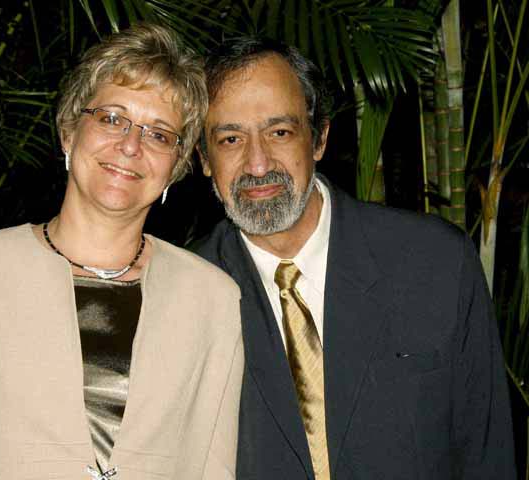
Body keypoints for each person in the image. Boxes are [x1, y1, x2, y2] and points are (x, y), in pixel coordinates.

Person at [0, 24, 243, 480]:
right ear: (69, 131)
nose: (130, 145)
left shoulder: (212, 298)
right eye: (112, 118)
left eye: (158, 134)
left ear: (176, 164)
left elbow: (216, 469)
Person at [194, 36, 516, 479]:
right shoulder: (183, 296)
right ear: (204, 158)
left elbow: (486, 454)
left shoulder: (435, 263)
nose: (257, 164)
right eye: (230, 139)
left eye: (279, 132)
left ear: (319, 138)